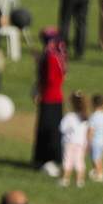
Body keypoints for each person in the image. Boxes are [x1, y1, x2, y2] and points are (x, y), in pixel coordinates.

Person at [32, 28, 66, 172]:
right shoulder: (58, 54)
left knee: (48, 130)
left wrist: (39, 89)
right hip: (55, 97)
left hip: (49, 97)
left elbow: (50, 79)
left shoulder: (51, 56)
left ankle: (47, 158)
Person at [57, 92, 88, 188]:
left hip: (69, 142)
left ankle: (65, 179)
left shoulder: (69, 116)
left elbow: (62, 128)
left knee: (67, 160)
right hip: (81, 143)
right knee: (79, 161)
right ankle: (80, 181)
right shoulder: (85, 117)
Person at [89, 94, 103, 183]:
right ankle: (100, 172)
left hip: (95, 142)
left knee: (95, 159)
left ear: (93, 104)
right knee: (99, 158)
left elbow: (91, 131)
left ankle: (100, 175)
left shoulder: (93, 117)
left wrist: (88, 141)